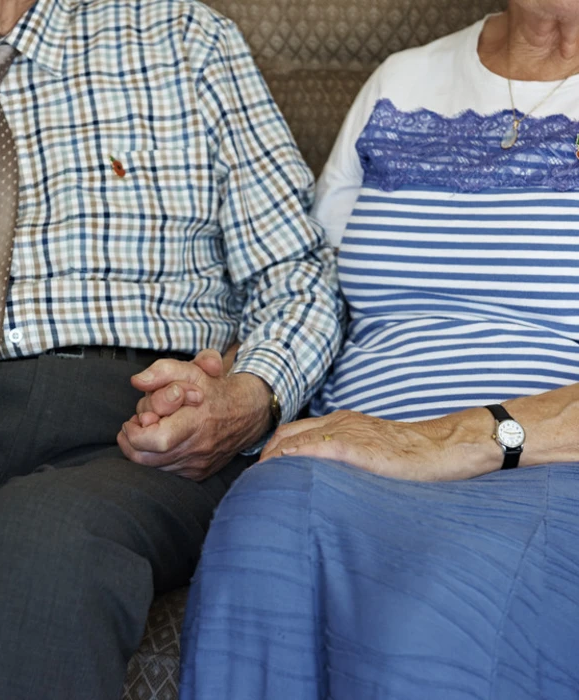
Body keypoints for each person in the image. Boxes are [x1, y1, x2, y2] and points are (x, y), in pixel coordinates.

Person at [0, 0, 344, 698]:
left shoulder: (184, 41)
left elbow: (297, 277)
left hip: (133, 420)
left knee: (40, 554)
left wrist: (247, 398)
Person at [174, 0, 579, 697]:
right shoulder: (403, 82)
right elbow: (308, 291)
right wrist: (234, 388)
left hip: (544, 464)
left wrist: (449, 441)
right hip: (348, 451)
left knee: (426, 624)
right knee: (266, 532)